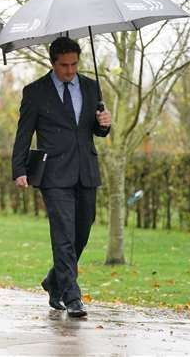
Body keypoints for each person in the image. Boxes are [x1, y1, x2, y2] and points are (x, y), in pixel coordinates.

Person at [12, 36, 112, 318]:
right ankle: (72, 296)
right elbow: (24, 133)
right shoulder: (35, 92)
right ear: (53, 62)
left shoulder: (92, 87)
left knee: (82, 231)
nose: (70, 70)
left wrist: (104, 125)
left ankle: (53, 281)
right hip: (54, 173)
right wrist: (19, 169)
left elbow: (95, 129)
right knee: (63, 233)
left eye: (74, 64)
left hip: (86, 170)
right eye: (64, 65)